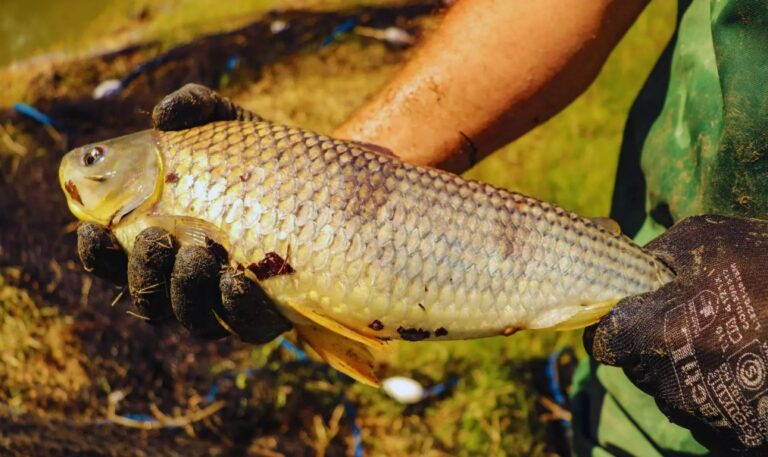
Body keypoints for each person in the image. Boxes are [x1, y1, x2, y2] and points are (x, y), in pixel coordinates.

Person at [79, 0, 768, 455]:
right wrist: (331, 176)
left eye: (96, 161)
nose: (83, 170)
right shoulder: (167, 184)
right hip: (674, 317)